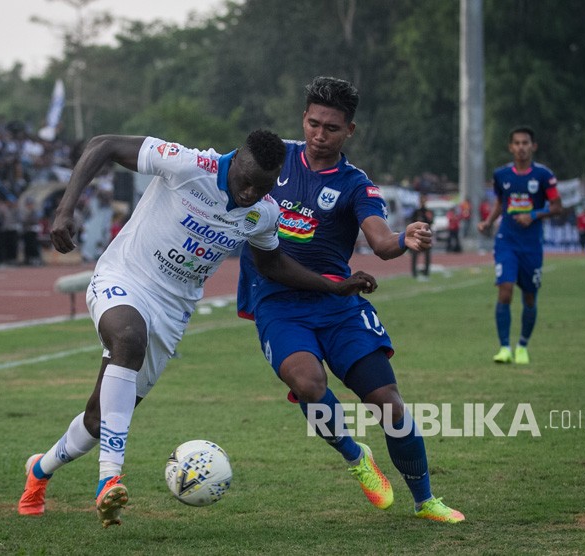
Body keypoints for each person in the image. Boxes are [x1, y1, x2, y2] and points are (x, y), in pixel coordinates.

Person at [18, 129, 377, 527]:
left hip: (173, 312)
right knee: (127, 337)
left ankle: (39, 471)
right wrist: (65, 209)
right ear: (234, 160)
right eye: (245, 182)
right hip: (125, 277)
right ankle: (109, 479)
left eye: (262, 186)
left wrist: (334, 285)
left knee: (99, 419)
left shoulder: (264, 212)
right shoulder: (188, 165)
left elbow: (272, 264)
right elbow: (103, 144)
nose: (249, 194)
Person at [237, 76, 465, 523]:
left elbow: (380, 242)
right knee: (307, 383)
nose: (320, 135)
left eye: (332, 128)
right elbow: (224, 178)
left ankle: (425, 500)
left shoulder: (355, 183)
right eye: (313, 124)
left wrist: (405, 237)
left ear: (350, 131)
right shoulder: (273, 159)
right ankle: (355, 455)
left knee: (390, 405)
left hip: (339, 305)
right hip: (279, 303)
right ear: (303, 119)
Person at [478, 126, 562, 364]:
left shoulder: (544, 175)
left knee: (529, 298)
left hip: (532, 245)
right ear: (511, 147)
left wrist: (533, 215)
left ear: (533, 146)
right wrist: (488, 222)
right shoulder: (501, 175)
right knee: (505, 290)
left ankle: (522, 345)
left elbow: (557, 206)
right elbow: (500, 203)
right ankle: (504, 348)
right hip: (507, 241)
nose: (521, 147)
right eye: (517, 143)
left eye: (526, 143)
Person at [410, 194, 433, 280]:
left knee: (427, 255)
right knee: (415, 255)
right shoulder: (416, 212)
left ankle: (426, 272)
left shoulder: (428, 212)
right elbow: (412, 223)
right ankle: (414, 272)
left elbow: (431, 222)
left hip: (426, 236)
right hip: (417, 236)